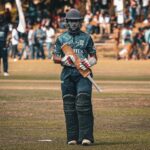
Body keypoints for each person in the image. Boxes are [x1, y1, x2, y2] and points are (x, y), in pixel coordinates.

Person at [53, 8, 97, 145]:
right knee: (69, 105)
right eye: (71, 21)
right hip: (67, 75)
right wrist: (63, 60)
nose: (74, 24)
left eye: (76, 21)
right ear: (67, 22)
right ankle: (72, 137)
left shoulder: (87, 38)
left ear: (80, 22)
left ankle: (86, 137)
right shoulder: (61, 39)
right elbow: (55, 57)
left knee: (83, 103)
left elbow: (94, 57)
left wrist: (88, 62)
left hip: (83, 75)